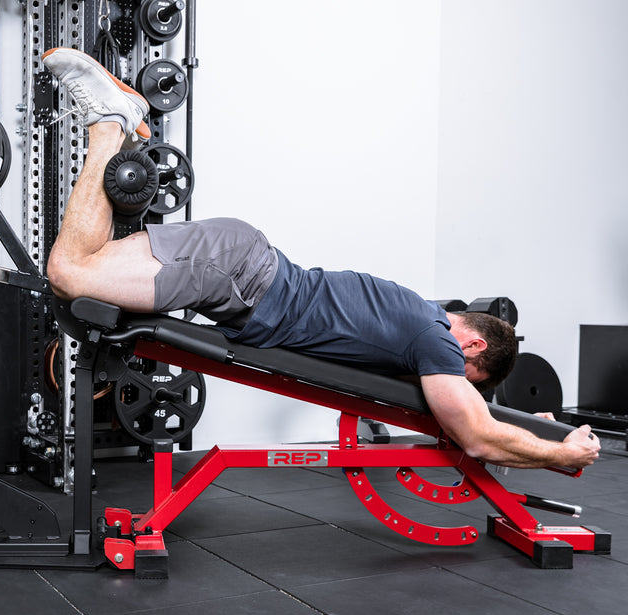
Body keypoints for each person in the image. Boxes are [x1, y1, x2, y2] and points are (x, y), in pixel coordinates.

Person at [40, 47, 600, 470]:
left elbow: (470, 424)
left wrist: (538, 429)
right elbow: (474, 434)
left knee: (80, 270)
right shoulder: (432, 340)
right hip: (234, 273)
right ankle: (110, 122)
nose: (451, 377)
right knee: (70, 273)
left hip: (240, 267)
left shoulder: (421, 318)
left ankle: (115, 127)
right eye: (466, 373)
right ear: (470, 345)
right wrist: (562, 455)